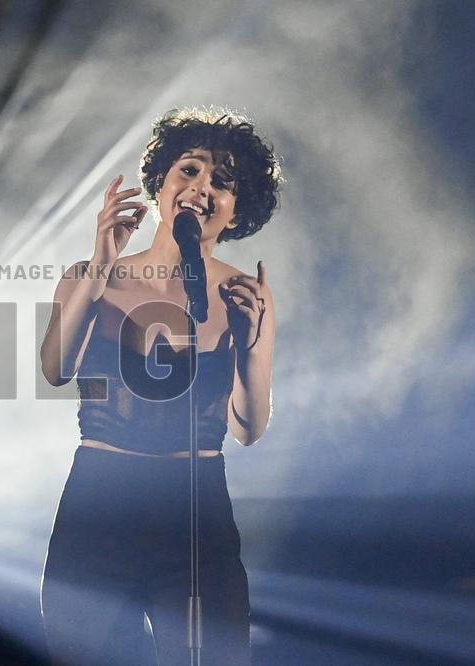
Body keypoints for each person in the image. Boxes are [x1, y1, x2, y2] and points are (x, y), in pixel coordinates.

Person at [39, 108, 280, 665]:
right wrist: (101, 264)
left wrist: (249, 343)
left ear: (237, 210)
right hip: (99, 505)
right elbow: (56, 368)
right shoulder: (89, 276)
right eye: (189, 170)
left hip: (196, 509)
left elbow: (248, 429)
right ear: (161, 184)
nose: (201, 188)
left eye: (222, 182)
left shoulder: (246, 295)